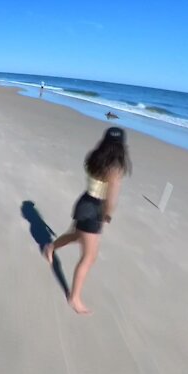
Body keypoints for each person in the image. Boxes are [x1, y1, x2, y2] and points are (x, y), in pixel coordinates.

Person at [44, 127, 131, 314]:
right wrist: (108, 215)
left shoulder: (94, 157)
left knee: (76, 235)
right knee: (89, 257)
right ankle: (74, 298)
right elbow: (111, 199)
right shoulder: (114, 169)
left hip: (84, 202)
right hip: (94, 209)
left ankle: (50, 248)